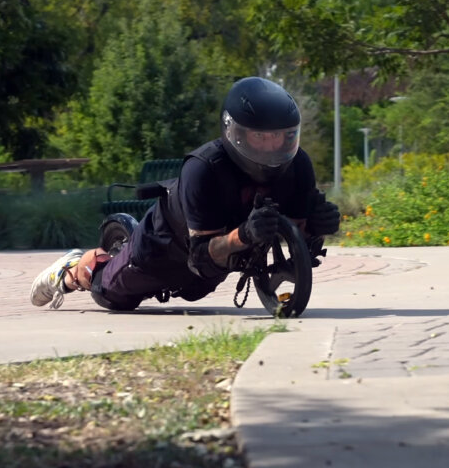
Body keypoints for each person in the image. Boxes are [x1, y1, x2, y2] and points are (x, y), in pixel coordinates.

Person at [30, 76, 341, 311]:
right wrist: (244, 234)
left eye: (281, 137)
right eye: (260, 137)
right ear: (234, 132)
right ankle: (71, 268)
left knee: (193, 291)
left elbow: (298, 237)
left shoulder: (298, 165)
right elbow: (201, 252)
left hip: (207, 271)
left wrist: (316, 230)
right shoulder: (203, 169)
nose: (272, 147)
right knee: (109, 295)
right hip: (162, 248)